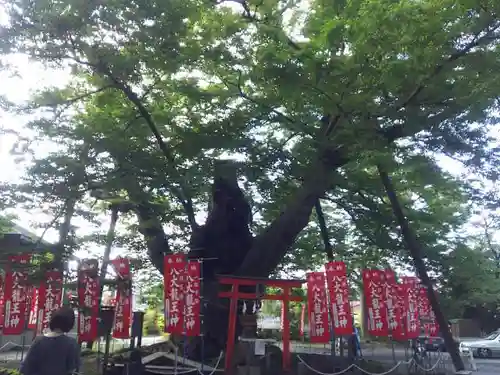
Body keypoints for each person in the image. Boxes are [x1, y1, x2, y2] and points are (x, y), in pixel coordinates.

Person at [20, 306, 80, 375]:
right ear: (70, 324)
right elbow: (73, 370)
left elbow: (25, 369)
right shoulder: (71, 344)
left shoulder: (38, 341)